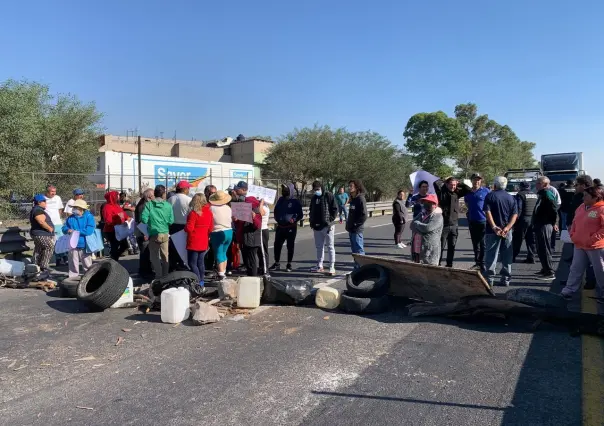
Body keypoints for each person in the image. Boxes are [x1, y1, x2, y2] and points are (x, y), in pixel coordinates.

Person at [561, 185, 604, 302]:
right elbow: (575, 221)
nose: (583, 197)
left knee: (600, 270)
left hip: (595, 246)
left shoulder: (601, 208)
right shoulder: (582, 207)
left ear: (596, 197)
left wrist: (592, 239)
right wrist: (573, 234)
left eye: (586, 195)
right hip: (579, 244)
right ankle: (568, 290)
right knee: (576, 268)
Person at [482, 177, 518, 287]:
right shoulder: (511, 198)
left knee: (491, 255)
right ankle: (506, 278)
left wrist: (494, 226)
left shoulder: (490, 195)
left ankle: (489, 279)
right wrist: (507, 227)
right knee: (507, 254)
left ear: (495, 185)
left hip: (492, 231)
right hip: (507, 231)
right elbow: (515, 215)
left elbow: (487, 212)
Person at [433, 177, 471, 267]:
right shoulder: (441, 192)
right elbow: (435, 182)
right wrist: (444, 179)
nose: (453, 186)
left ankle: (449, 264)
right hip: (443, 225)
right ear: (446, 184)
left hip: (454, 225)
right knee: (440, 247)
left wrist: (458, 182)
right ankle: (437, 264)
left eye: (454, 185)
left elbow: (468, 189)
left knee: (452, 247)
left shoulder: (457, 193)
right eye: (451, 184)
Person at [141, 185, 174, 279]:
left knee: (154, 257)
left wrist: (152, 221)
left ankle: (158, 275)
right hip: (165, 233)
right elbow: (171, 221)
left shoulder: (149, 205)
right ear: (164, 194)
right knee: (165, 256)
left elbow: (143, 219)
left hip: (154, 234)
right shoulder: (168, 205)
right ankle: (166, 276)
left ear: (154, 193)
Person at [270, 183, 303, 272]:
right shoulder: (280, 200)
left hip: (290, 227)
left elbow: (300, 214)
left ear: (290, 190)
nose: (284, 191)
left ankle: (289, 264)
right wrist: (277, 218)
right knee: (277, 245)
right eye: (283, 190)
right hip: (280, 227)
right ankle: (277, 263)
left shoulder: (295, 202)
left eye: (286, 190)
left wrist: (294, 219)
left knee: (290, 246)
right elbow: (276, 210)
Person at [309, 181, 338, 276]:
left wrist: (330, 220)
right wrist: (312, 222)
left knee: (330, 246)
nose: (316, 191)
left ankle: (331, 267)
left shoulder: (328, 195)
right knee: (319, 247)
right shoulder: (314, 198)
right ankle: (319, 265)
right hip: (317, 227)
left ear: (321, 187)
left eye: (318, 189)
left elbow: (335, 209)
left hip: (328, 226)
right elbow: (311, 210)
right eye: (315, 190)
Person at [533, 176, 559, 281]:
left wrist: (554, 223)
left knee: (545, 248)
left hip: (545, 224)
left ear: (544, 184)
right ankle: (544, 268)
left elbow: (554, 209)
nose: (536, 185)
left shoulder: (548, 194)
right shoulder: (541, 195)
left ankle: (549, 272)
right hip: (539, 224)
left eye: (538, 183)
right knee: (540, 248)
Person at [62, 199, 96, 278]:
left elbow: (89, 231)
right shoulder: (70, 218)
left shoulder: (89, 217)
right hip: (72, 245)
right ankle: (73, 278)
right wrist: (67, 230)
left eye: (76, 207)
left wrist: (75, 231)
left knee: (87, 264)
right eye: (74, 207)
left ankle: (89, 278)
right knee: (73, 263)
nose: (74, 209)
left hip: (85, 244)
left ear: (81, 209)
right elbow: (64, 228)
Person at [464, 173, 491, 271]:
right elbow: (467, 204)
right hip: (472, 221)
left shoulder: (486, 191)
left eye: (478, 179)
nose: (477, 181)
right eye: (475, 179)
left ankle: (483, 263)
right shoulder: (468, 193)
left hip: (483, 221)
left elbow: (490, 204)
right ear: (472, 181)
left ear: (481, 181)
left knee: (483, 243)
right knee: (475, 243)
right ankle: (477, 262)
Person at [185, 193, 213, 285]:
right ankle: (201, 281)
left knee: (192, 263)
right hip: (204, 240)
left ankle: (197, 281)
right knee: (200, 262)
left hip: (194, 241)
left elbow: (189, 228)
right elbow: (211, 228)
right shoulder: (209, 212)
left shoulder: (193, 214)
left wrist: (185, 227)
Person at [409, 194, 443, 265]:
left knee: (430, 270)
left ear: (435, 204)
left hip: (428, 249)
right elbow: (411, 225)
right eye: (425, 202)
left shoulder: (437, 216)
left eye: (429, 202)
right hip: (417, 247)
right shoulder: (421, 214)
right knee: (416, 269)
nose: (426, 204)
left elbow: (428, 228)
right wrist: (421, 229)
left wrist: (417, 224)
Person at [209, 190, 233, 281]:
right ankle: (223, 271)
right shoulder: (228, 208)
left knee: (218, 253)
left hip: (217, 232)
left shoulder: (211, 208)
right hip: (229, 231)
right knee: (224, 252)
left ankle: (221, 273)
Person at [168, 180, 192, 271]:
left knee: (173, 247)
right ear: (185, 189)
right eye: (188, 188)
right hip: (184, 226)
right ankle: (183, 265)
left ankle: (173, 265)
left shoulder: (170, 199)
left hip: (172, 226)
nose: (189, 190)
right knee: (183, 247)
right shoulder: (188, 200)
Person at [30, 194, 55, 280]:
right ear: (39, 202)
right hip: (41, 234)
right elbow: (41, 221)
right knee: (49, 247)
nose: (46, 203)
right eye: (44, 201)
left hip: (39, 234)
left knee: (39, 249)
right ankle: (44, 267)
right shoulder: (38, 210)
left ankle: (34, 267)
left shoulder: (38, 209)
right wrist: (49, 228)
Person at [237, 197, 264, 276]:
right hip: (245, 239)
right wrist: (237, 220)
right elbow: (241, 226)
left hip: (253, 240)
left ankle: (253, 276)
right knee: (247, 260)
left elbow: (258, 226)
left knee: (252, 260)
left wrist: (254, 217)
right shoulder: (245, 212)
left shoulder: (257, 212)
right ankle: (250, 275)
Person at [513, 181, 538, 263]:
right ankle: (531, 257)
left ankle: (512, 257)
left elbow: (518, 208)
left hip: (523, 219)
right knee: (531, 240)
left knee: (517, 239)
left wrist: (515, 221)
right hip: (533, 220)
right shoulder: (535, 195)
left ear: (521, 187)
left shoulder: (520, 195)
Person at [346, 179, 368, 269]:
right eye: (349, 185)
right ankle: (357, 267)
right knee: (354, 251)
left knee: (359, 250)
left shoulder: (360, 198)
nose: (349, 187)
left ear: (357, 187)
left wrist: (356, 224)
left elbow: (364, 215)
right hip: (351, 229)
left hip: (357, 229)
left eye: (351, 186)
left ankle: (362, 268)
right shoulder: (353, 199)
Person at [102, 191, 128, 261]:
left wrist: (127, 219)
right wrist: (117, 220)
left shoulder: (117, 206)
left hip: (120, 229)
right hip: (111, 230)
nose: (118, 198)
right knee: (114, 246)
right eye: (116, 196)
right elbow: (108, 220)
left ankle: (113, 258)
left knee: (125, 245)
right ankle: (114, 261)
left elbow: (124, 215)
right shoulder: (107, 207)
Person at [44, 185, 67, 266]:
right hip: (49, 224)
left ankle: (64, 258)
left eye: (55, 191)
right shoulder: (43, 199)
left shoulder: (57, 198)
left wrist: (58, 217)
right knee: (53, 242)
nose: (53, 193)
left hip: (58, 223)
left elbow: (60, 208)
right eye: (52, 192)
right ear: (47, 192)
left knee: (61, 241)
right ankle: (58, 259)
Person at [134, 189, 155, 279]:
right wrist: (145, 234)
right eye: (154, 195)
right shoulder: (143, 206)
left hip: (144, 232)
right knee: (145, 252)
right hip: (143, 232)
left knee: (146, 252)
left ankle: (147, 270)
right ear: (149, 196)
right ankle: (144, 272)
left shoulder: (143, 204)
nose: (154, 197)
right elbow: (142, 221)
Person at [258, 198, 270, 275]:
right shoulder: (263, 206)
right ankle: (261, 267)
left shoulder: (264, 207)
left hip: (263, 230)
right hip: (261, 230)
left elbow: (261, 213)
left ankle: (265, 269)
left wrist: (261, 203)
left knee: (263, 251)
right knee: (259, 251)